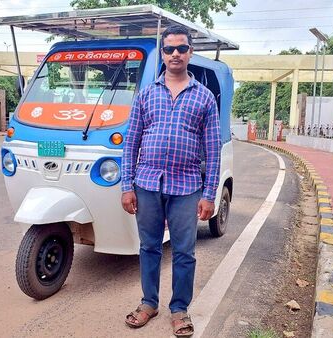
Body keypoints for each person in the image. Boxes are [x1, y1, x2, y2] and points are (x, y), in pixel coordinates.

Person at [120, 25, 221, 337]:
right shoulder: (146, 95)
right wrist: (126, 185)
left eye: (181, 48)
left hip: (187, 186)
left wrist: (209, 194)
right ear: (162, 54)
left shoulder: (204, 97)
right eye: (169, 49)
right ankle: (149, 303)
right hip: (147, 183)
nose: (175, 54)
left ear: (190, 53)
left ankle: (179, 309)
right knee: (149, 247)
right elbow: (131, 143)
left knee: (184, 251)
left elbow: (213, 149)